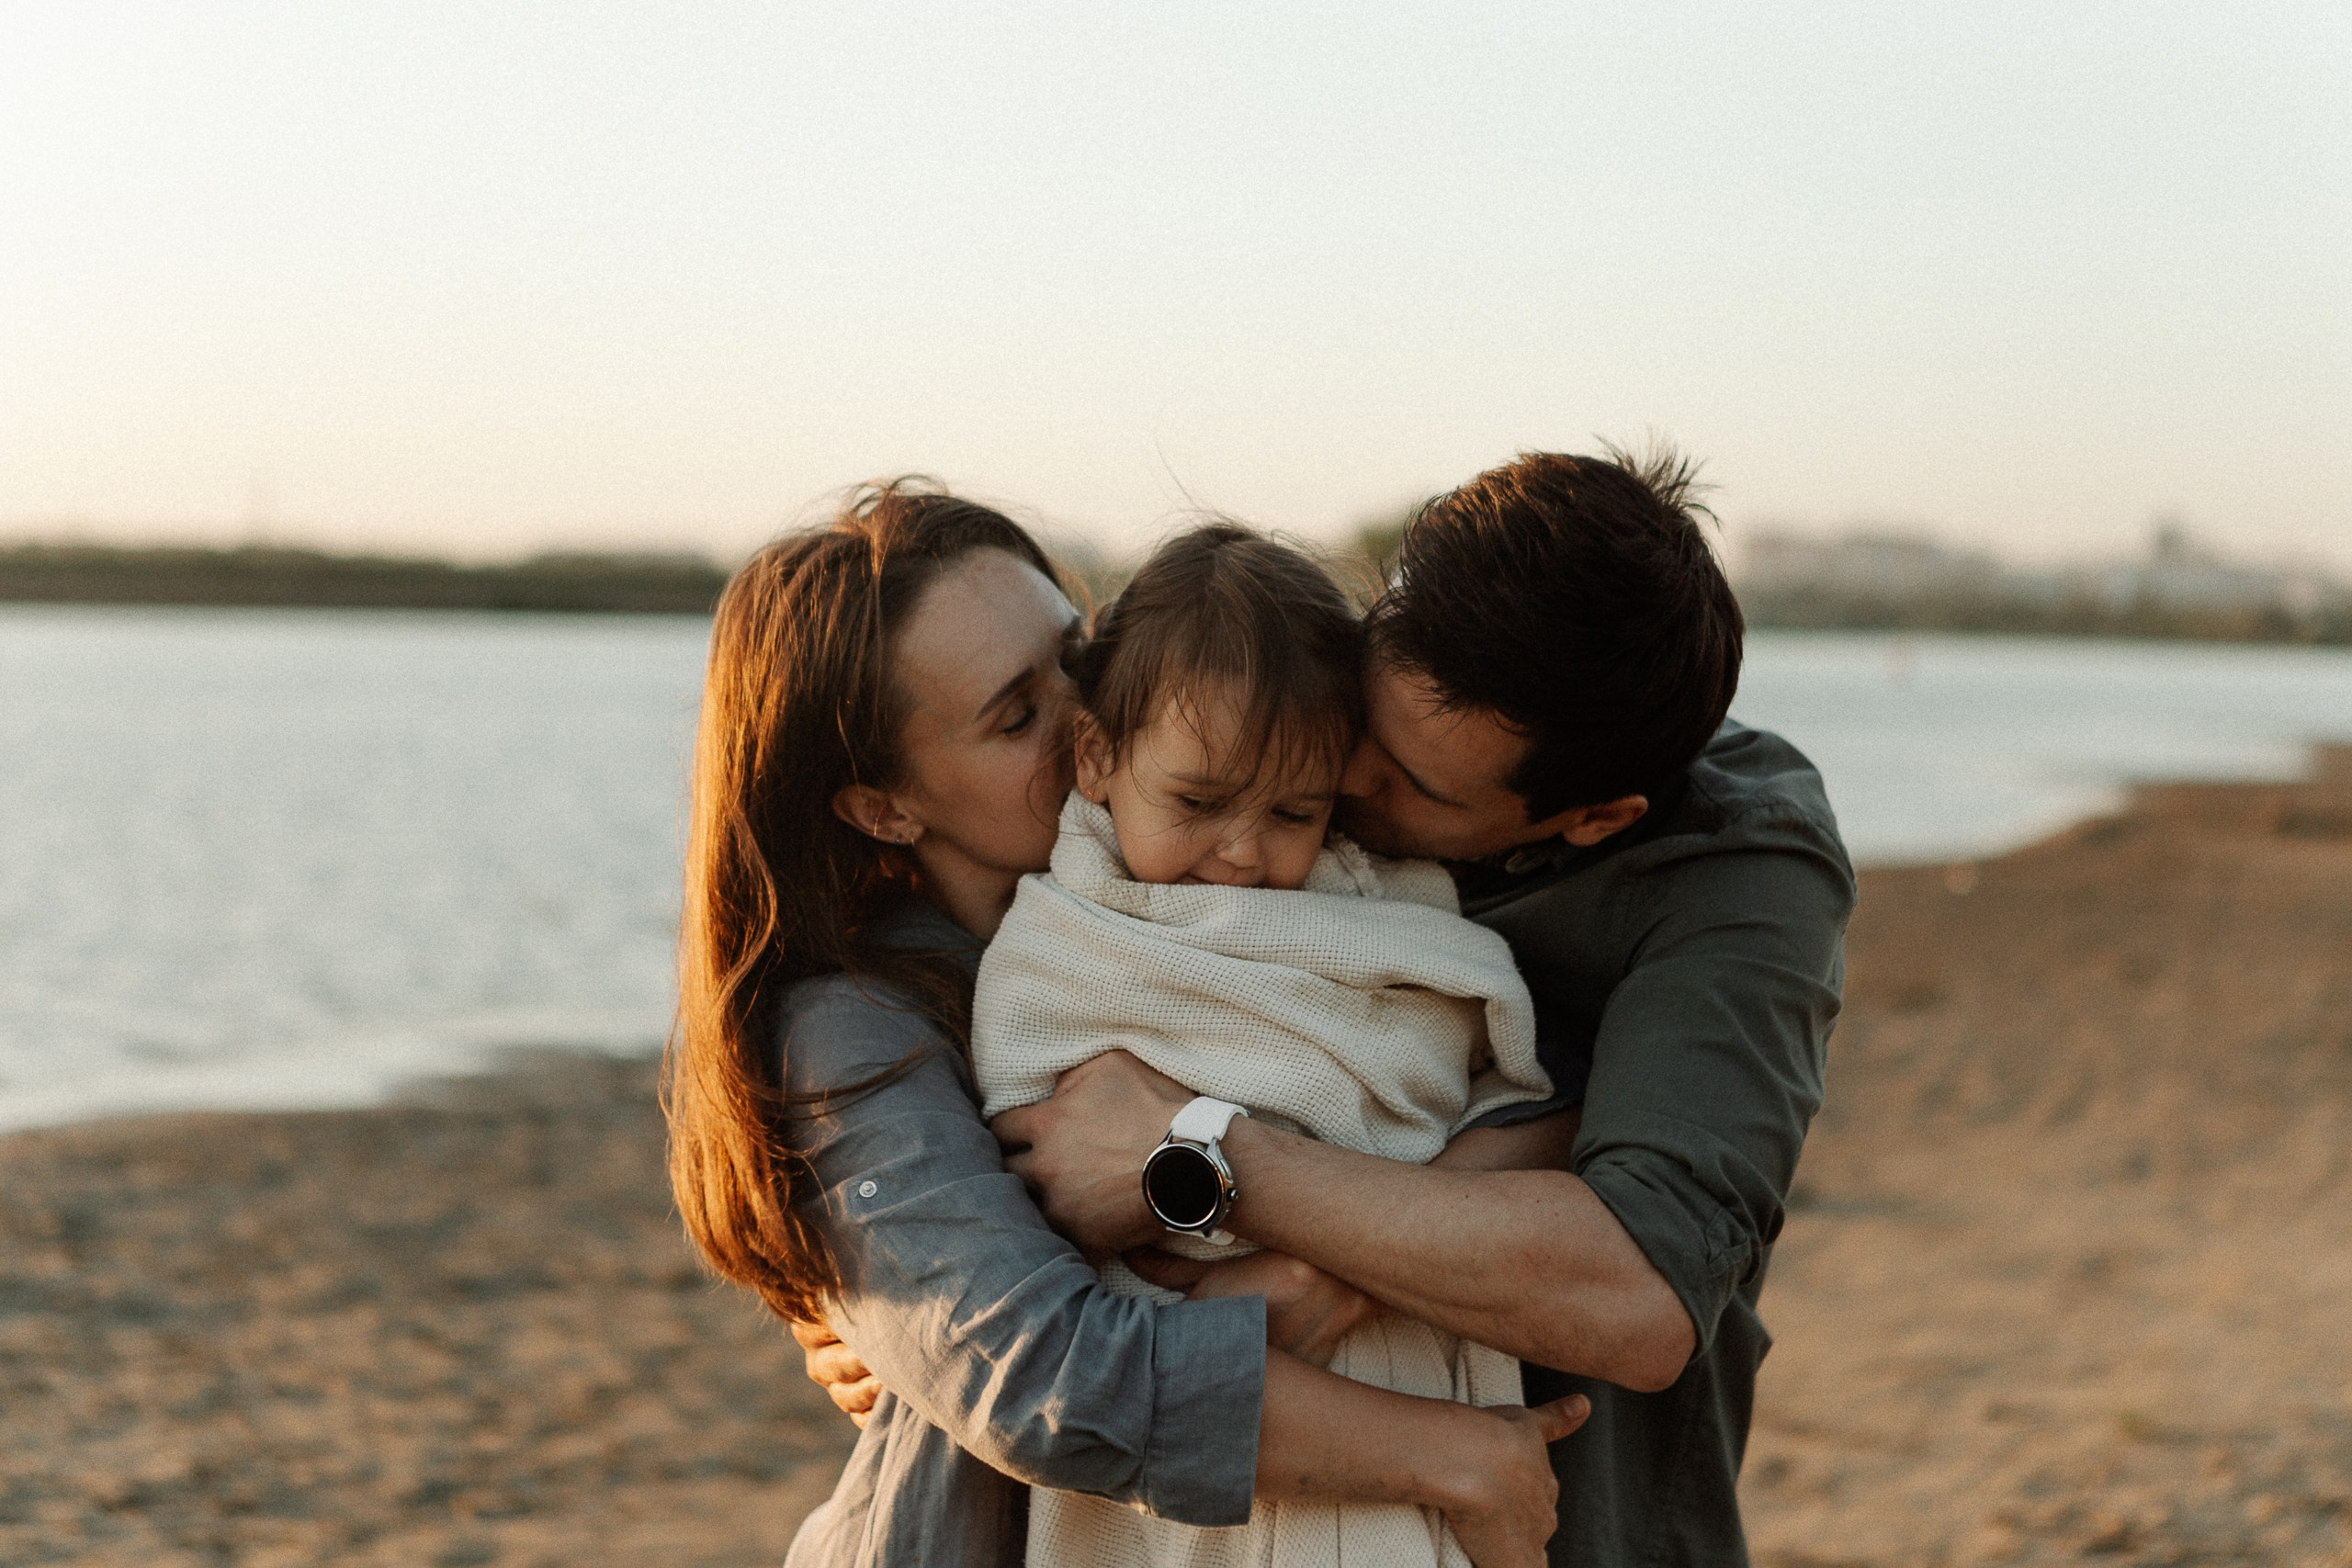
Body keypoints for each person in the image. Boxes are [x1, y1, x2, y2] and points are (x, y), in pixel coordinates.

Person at [662, 481, 1588, 1568]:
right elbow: (1036, 1371)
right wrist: (1453, 1456)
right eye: (1017, 714)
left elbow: (1504, 1080)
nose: (1089, 708)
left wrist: (1333, 1262)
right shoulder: (855, 1026)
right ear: (884, 805)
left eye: (1077, 652)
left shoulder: (1266, 893)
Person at [986, 446, 1858, 1566]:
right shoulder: (1250, 744)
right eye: (1366, 716)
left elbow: (1638, 1295)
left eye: (1413, 783)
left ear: (1592, 819)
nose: (1341, 780)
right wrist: (880, 1294)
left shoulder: (1738, 870)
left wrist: (1207, 1159)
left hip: (1568, 1499)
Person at [973, 523, 1555, 1567]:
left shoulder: (1378, 914)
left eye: (1294, 810)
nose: (1243, 851)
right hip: (1193, 1368)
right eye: (1197, 802)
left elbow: (1452, 1069)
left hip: (1380, 1349)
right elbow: (1038, 1172)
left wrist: (1316, 1226)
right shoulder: (1061, 940)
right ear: (1097, 756)